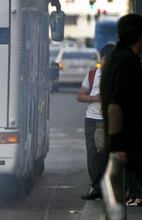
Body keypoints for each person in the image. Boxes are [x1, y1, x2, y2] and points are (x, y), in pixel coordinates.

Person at [100, 14, 142, 206]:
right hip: (126, 144)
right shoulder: (129, 61)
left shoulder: (114, 59)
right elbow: (116, 106)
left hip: (118, 142)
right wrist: (118, 147)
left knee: (115, 202)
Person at [77, 44, 115, 200]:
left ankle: (102, 188)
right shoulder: (93, 75)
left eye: (110, 60)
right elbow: (80, 96)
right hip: (92, 120)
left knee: (106, 156)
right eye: (105, 59)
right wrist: (95, 98)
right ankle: (96, 187)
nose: (106, 63)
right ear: (101, 59)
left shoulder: (118, 76)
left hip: (110, 120)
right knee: (93, 156)